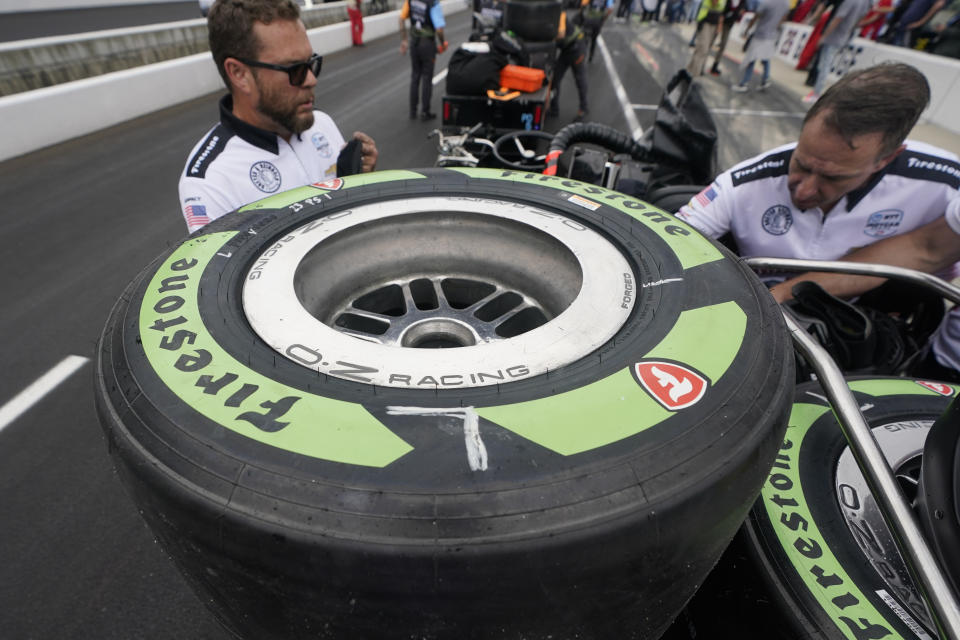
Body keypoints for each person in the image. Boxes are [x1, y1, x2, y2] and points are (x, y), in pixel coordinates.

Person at [676, 63, 960, 378]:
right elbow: (668, 244)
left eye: (832, 177)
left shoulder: (947, 188)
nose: (806, 188)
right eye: (801, 163)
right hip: (750, 327)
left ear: (887, 159)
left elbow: (935, 255)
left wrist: (941, 363)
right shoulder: (742, 184)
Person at [178, 0, 378, 233]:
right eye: (294, 70)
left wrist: (357, 179)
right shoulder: (210, 181)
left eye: (311, 63)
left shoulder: (321, 123)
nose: (311, 80)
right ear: (239, 74)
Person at [803, 0, 872, 102]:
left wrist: (824, 36)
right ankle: (816, 92)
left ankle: (817, 93)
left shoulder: (850, 2)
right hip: (844, 36)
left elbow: (838, 18)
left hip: (834, 36)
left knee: (824, 66)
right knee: (824, 65)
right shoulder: (865, 3)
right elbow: (860, 19)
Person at [399, 0, 449, 121]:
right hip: (427, 44)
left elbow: (401, 19)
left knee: (415, 76)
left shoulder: (410, 1)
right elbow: (439, 30)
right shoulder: (433, 3)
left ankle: (413, 111)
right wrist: (443, 43)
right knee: (427, 78)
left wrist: (404, 40)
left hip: (414, 43)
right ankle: (425, 111)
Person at [731, 0, 790, 90]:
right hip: (772, 34)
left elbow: (756, 16)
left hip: (761, 34)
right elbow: (784, 18)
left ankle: (744, 83)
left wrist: (747, 30)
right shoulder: (786, 3)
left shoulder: (767, 3)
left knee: (751, 58)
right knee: (765, 57)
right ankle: (765, 79)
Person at [550, 0, 591, 121]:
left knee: (579, 78)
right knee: (555, 78)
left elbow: (561, 34)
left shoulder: (560, 12)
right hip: (566, 49)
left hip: (576, 47)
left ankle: (583, 108)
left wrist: (547, 36)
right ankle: (554, 108)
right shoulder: (547, 14)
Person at [685, 0, 726, 76]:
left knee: (701, 49)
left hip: (714, 24)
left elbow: (722, 11)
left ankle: (690, 69)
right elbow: (715, 2)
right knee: (703, 49)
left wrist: (720, 24)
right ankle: (694, 73)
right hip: (705, 21)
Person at [708, 0, 745, 75]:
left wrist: (737, 16)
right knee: (710, 42)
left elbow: (740, 12)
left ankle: (714, 66)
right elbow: (722, 8)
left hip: (728, 24)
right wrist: (720, 22)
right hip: (718, 21)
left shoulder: (742, 2)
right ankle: (701, 63)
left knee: (723, 45)